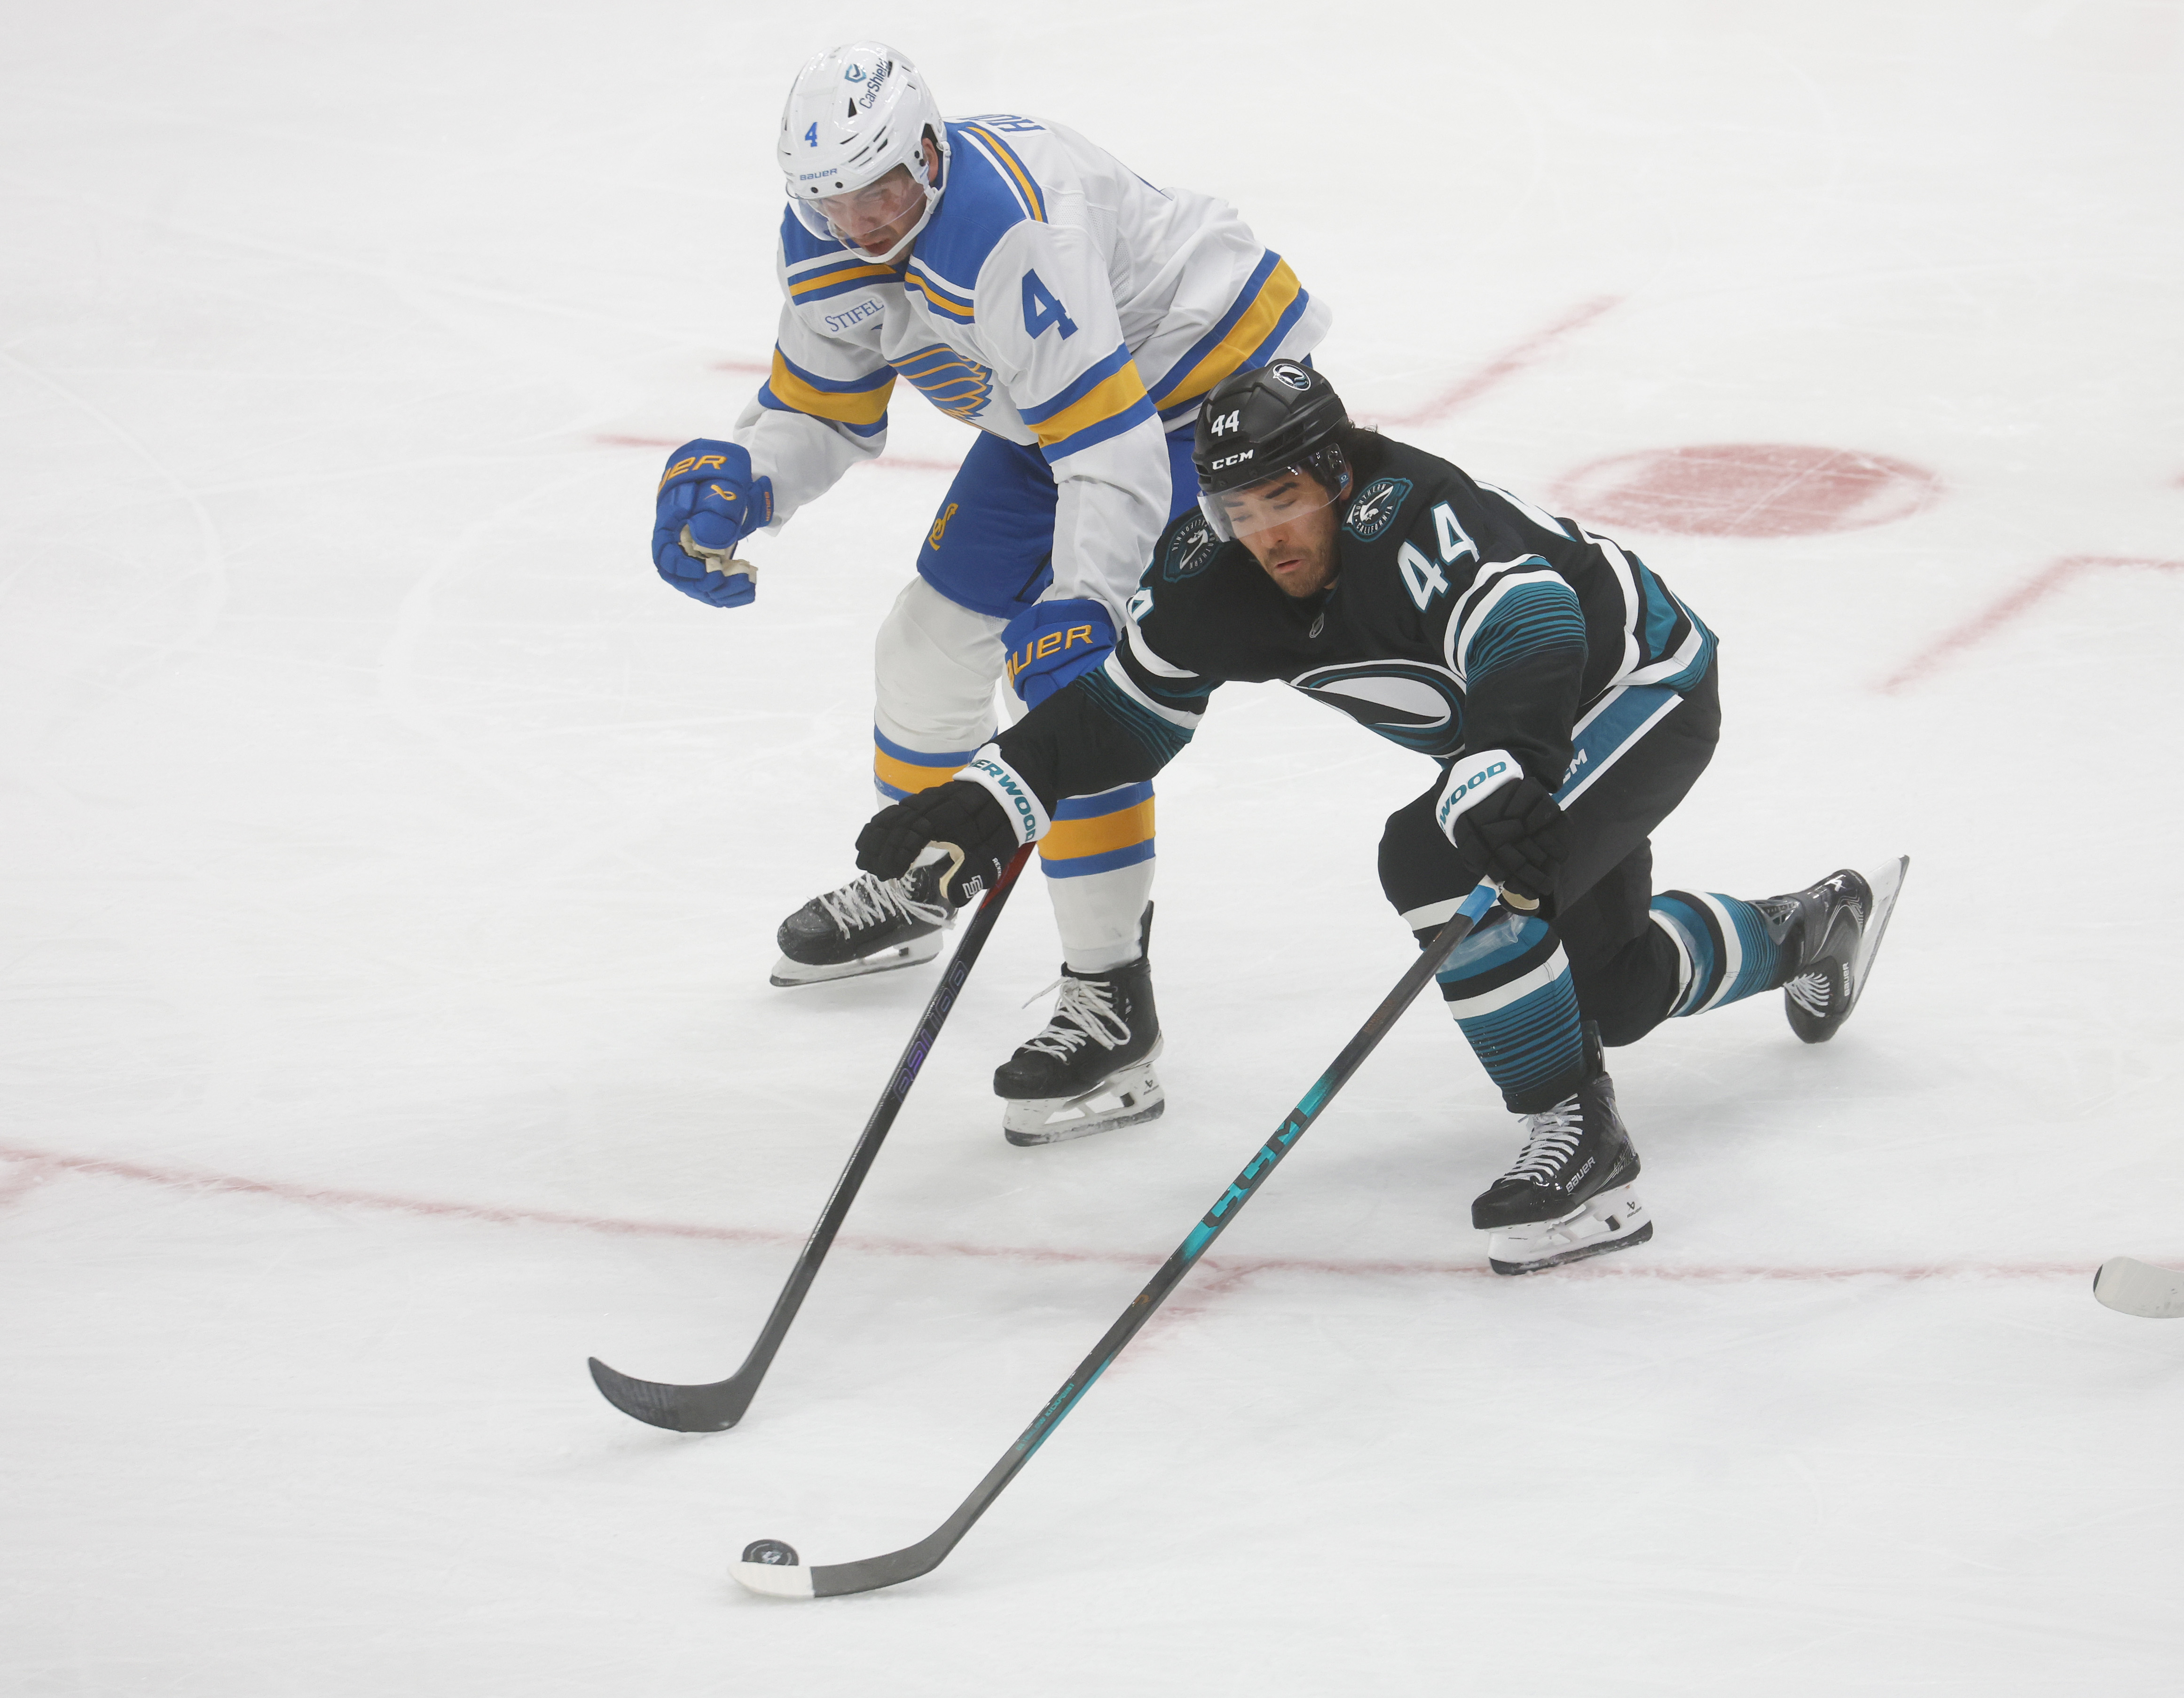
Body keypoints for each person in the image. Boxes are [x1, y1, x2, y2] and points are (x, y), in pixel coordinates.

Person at [852, 360, 1908, 1272]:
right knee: (1613, 988)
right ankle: (1810, 930)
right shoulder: (1216, 576)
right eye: (1240, 511)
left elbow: (1530, 626)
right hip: (1511, 740)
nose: (1263, 534)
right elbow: (1119, 717)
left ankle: (1582, 1144)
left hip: (1639, 690)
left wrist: (1499, 765)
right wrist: (993, 797)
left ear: (1339, 474)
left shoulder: (1412, 518)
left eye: (1282, 499)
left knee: (1433, 858)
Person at [649, 43, 1329, 1146]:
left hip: (1205, 397)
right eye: (829, 200)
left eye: (878, 190)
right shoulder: (828, 242)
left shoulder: (1014, 237)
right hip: (1058, 409)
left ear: (926, 151)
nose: (860, 222)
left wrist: (1086, 601)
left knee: (1075, 699)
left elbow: (1111, 444)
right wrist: (750, 481)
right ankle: (924, 876)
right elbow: (823, 407)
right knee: (921, 651)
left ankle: (1113, 1001)